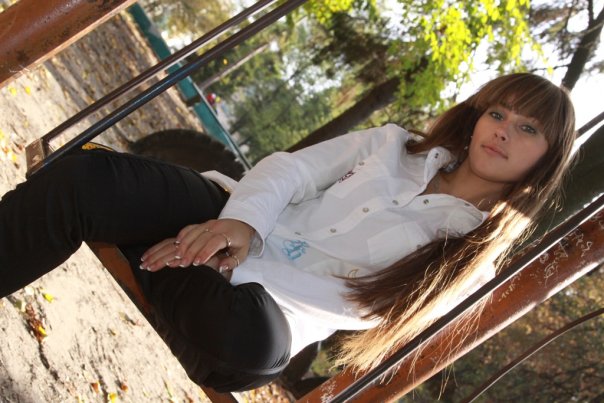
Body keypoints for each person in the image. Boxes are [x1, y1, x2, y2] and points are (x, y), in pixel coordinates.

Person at [0, 73, 576, 392]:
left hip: (267, 310)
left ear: (546, 159)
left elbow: (360, 306)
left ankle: (158, 247)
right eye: (497, 113)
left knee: (248, 345)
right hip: (227, 218)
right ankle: (161, 246)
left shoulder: (472, 255)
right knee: (89, 176)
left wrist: (234, 263)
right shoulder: (393, 145)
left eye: (527, 128)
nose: (503, 131)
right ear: (477, 116)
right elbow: (292, 170)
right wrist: (241, 225)